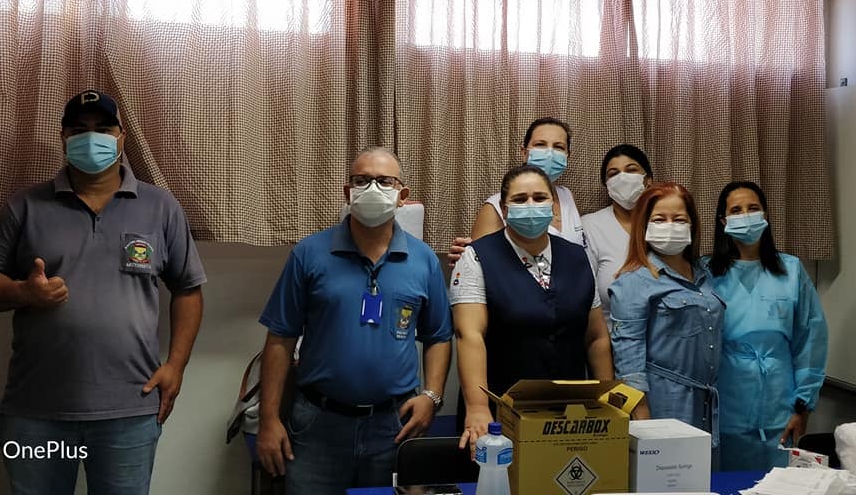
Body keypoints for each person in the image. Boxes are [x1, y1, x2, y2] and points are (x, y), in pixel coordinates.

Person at [0, 89, 206, 495]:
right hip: (36, 411)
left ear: (122, 137)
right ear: (63, 137)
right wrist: (23, 292)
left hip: (130, 409)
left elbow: (188, 289)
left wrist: (176, 366)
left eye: (103, 129)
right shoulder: (25, 206)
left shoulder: (160, 207)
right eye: (79, 130)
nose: (91, 139)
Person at [255, 148, 452, 495]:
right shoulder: (308, 254)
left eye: (384, 181)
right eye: (362, 180)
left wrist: (432, 397)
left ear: (402, 195)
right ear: (348, 192)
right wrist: (269, 420)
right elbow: (280, 340)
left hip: (394, 425)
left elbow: (438, 336)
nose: (372, 188)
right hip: (318, 424)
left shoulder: (423, 260)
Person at [450, 164, 613, 452]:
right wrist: (477, 408)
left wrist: (607, 400)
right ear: (504, 209)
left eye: (539, 198)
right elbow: (469, 335)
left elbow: (596, 337)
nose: (530, 205)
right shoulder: (476, 257)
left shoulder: (577, 257)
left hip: (571, 413)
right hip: (501, 413)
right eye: (520, 199)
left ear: (553, 205)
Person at [706, 181, 829, 471]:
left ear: (765, 215)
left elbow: (810, 340)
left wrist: (803, 405)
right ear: (723, 221)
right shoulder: (707, 272)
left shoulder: (791, 270)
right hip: (726, 407)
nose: (745, 215)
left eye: (753, 208)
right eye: (736, 210)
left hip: (780, 407)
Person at [609, 183, 723, 441]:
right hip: (662, 403)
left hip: (707, 403)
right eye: (659, 219)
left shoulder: (705, 275)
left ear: (691, 224)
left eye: (679, 219)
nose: (670, 226)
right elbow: (628, 362)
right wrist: (643, 420)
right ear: (644, 226)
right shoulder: (633, 281)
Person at [447, 117, 584, 265]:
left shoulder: (566, 195)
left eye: (558, 147)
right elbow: (480, 265)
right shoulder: (495, 207)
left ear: (567, 155)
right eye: (540, 145)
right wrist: (466, 261)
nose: (550, 154)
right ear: (524, 152)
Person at [581, 144, 654, 319]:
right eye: (613, 174)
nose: (622, 178)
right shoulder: (591, 226)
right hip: (611, 331)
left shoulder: (665, 223)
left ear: (648, 180)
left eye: (631, 170)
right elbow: (585, 296)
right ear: (607, 185)